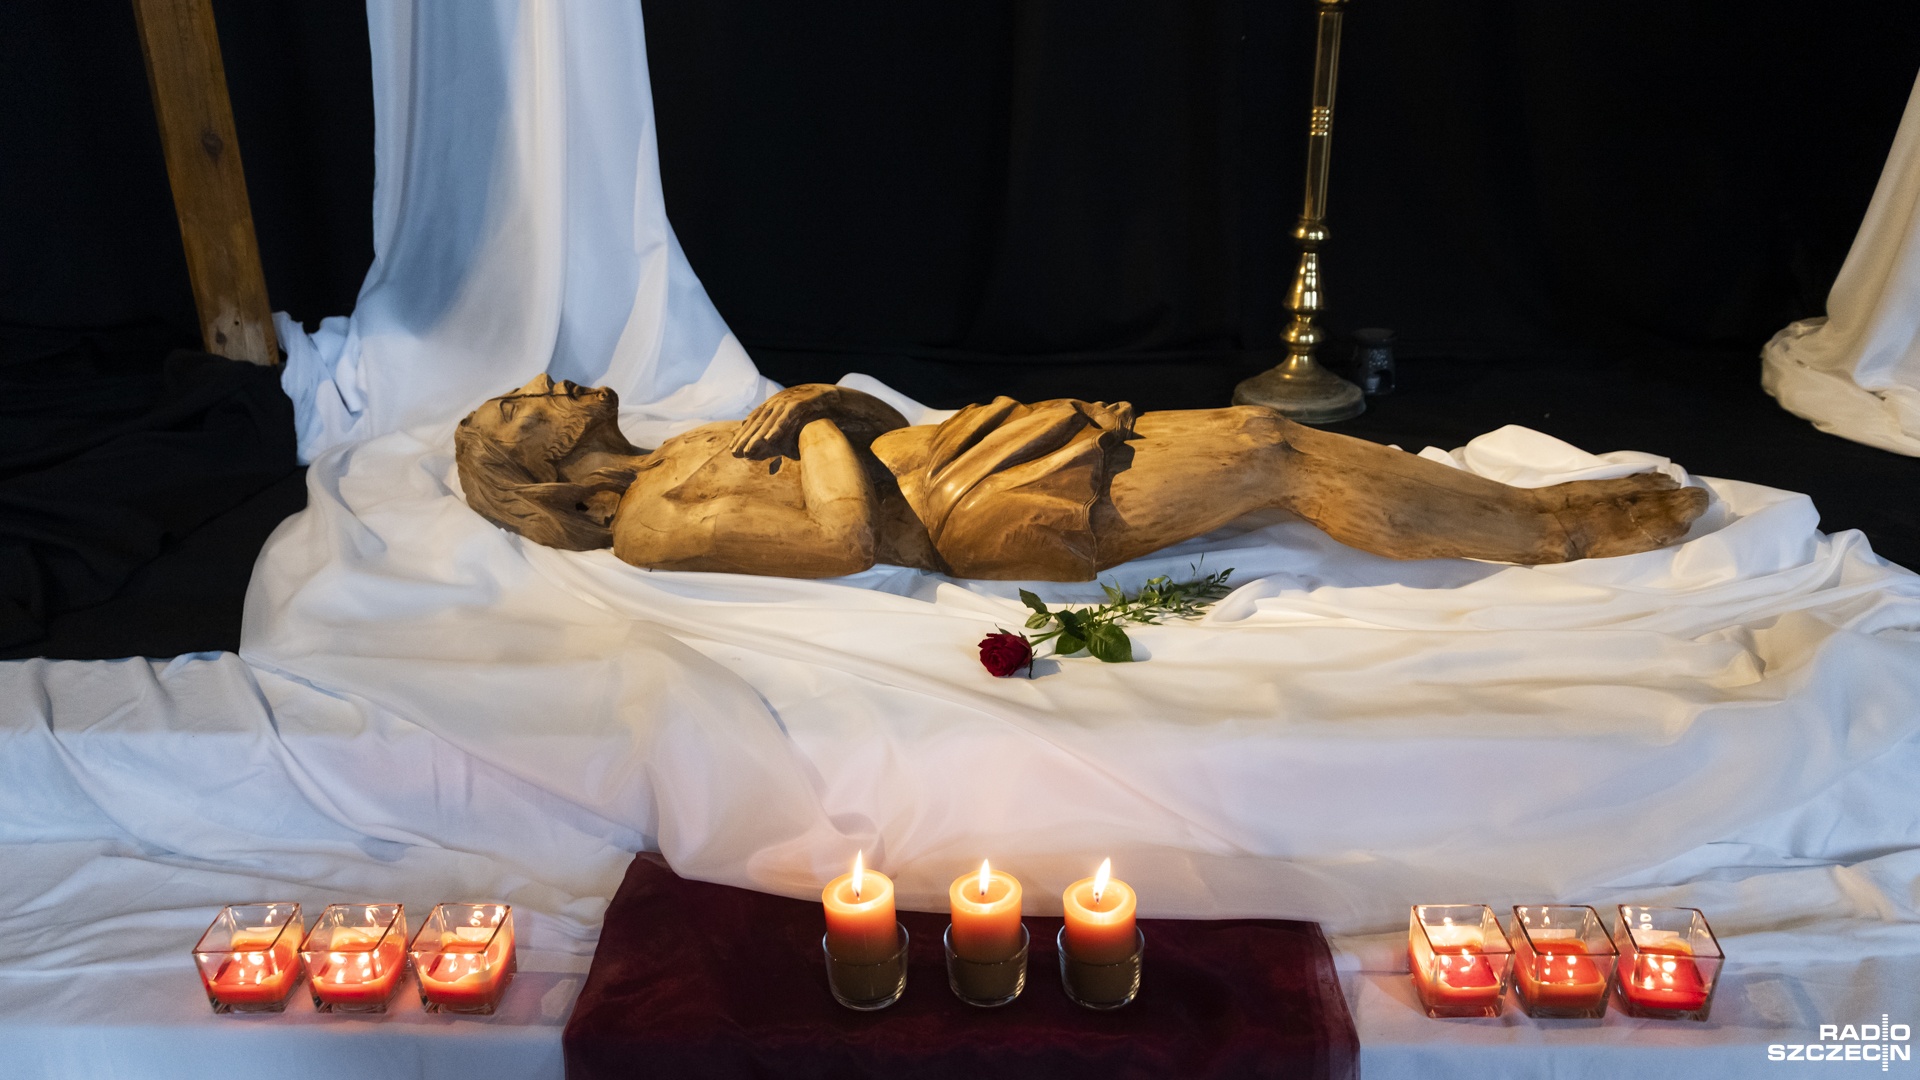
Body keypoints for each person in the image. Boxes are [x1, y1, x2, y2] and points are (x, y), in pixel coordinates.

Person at [455, 375, 1707, 581]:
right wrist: (818, 426)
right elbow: (844, 540)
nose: (546, 385)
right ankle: (1548, 532)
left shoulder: (683, 450)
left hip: (961, 449)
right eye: (523, 406)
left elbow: (869, 431)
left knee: (1255, 439)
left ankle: (1527, 513)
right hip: (976, 513)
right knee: (1267, 453)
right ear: (542, 464)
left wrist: (831, 404)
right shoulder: (653, 525)